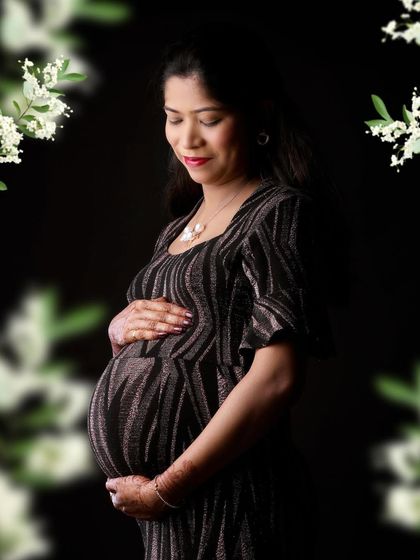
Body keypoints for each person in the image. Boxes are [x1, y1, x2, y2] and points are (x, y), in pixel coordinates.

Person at [87, 21, 338, 559]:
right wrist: (121, 337)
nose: (187, 140)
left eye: (210, 120)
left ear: (258, 116)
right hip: (167, 520)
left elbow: (276, 378)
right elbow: (184, 346)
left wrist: (167, 488)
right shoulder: (177, 228)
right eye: (173, 119)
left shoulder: (277, 213)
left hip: (230, 503)